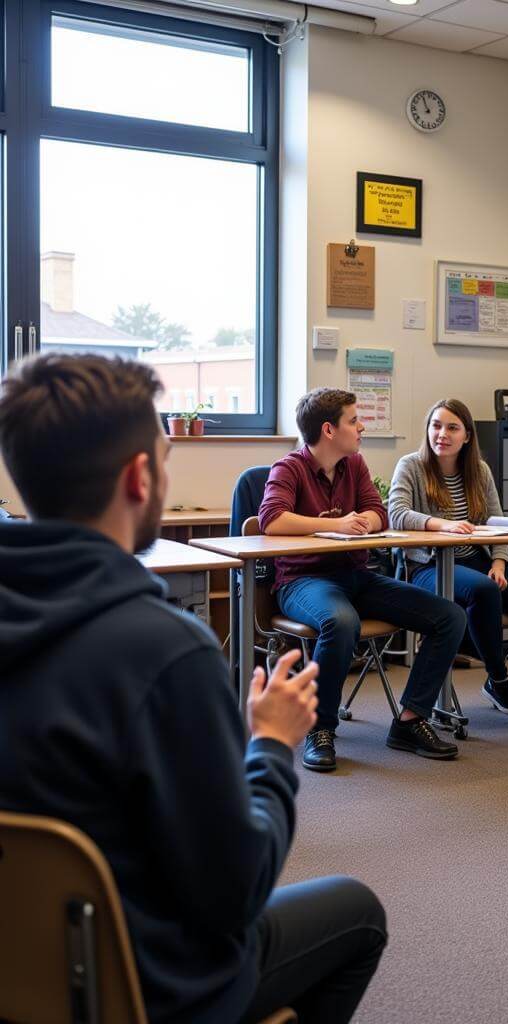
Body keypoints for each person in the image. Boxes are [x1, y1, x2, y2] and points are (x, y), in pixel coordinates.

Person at [0, 354, 387, 1024]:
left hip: (17, 973)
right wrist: (269, 744)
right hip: (143, 987)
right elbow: (235, 892)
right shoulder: (168, 653)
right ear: (141, 476)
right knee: (359, 914)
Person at [260, 387, 466, 770]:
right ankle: (320, 729)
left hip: (355, 576)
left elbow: (378, 512)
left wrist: (363, 522)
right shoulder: (288, 467)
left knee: (449, 616)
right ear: (328, 430)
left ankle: (410, 720)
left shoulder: (354, 465)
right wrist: (337, 523)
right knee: (340, 622)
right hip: (303, 581)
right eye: (354, 420)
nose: (362, 427)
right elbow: (272, 519)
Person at [389, 399, 508, 730]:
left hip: (479, 561)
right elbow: (395, 513)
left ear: (467, 435)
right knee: (482, 591)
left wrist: (498, 562)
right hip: (428, 567)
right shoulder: (410, 466)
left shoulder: (478, 470)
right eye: (436, 425)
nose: (442, 434)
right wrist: (442, 525)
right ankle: (498, 680)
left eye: (452, 427)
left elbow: (497, 523)